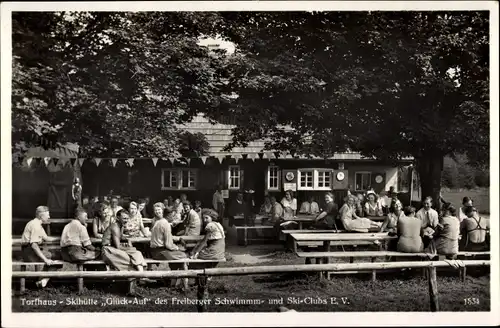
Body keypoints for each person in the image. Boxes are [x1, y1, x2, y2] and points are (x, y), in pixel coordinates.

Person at [20, 206, 58, 288]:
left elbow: (47, 238)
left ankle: (42, 280)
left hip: (29, 251)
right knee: (57, 257)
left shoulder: (37, 224)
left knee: (57, 256)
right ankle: (43, 280)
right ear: (41, 216)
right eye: (47, 215)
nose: (49, 217)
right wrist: (45, 259)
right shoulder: (36, 225)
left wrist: (61, 238)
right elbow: (34, 245)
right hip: (29, 252)